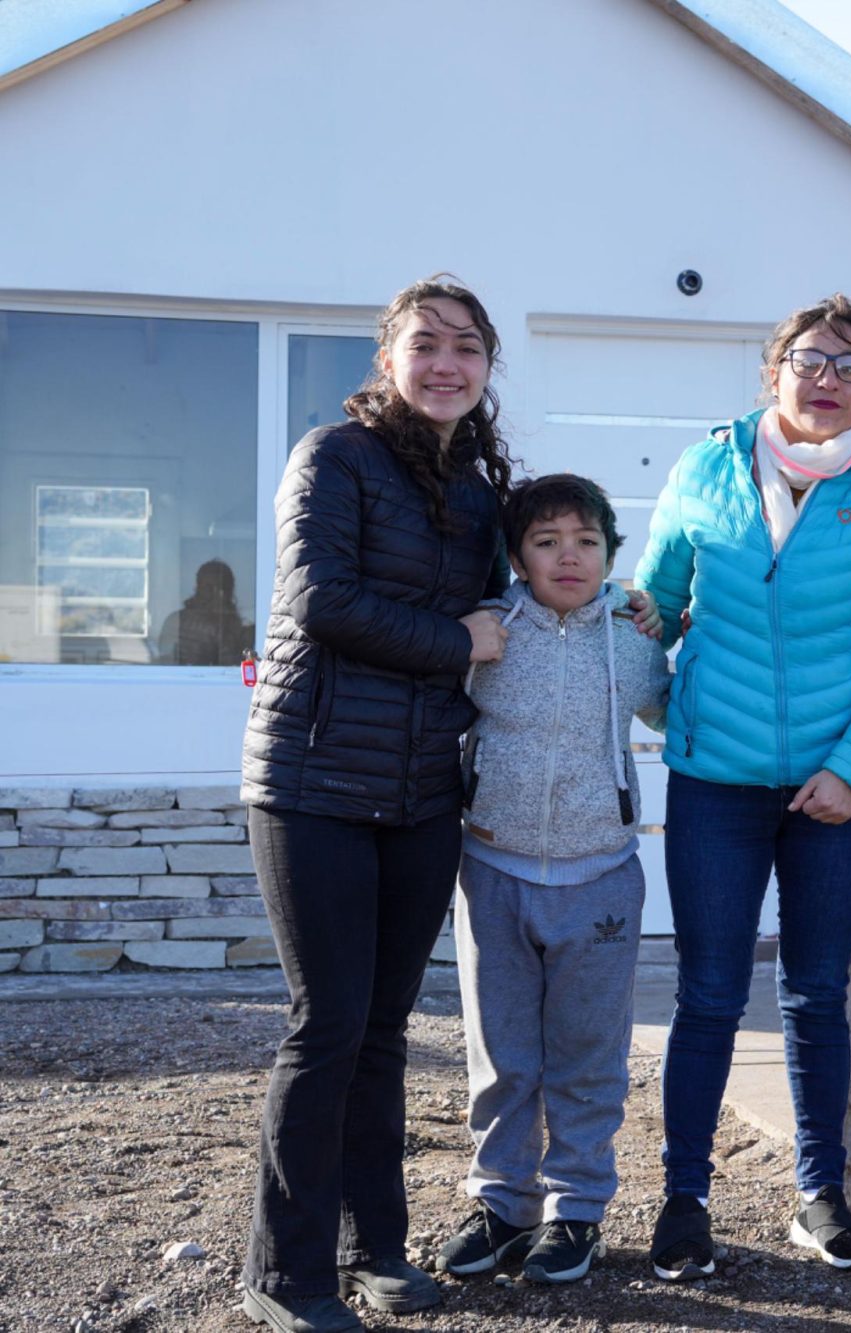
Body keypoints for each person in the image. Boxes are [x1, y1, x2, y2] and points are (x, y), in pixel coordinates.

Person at [634, 295, 851, 1280]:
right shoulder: (704, 469)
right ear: (773, 371)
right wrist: (675, 715)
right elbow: (650, 611)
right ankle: (684, 1200)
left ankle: (821, 1197)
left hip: (834, 793)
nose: (827, 379)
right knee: (709, 993)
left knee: (816, 992)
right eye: (809, 359)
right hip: (712, 788)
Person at [238, 277, 514, 1333]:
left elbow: (517, 597)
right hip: (312, 781)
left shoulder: (478, 492)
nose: (446, 363)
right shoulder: (334, 457)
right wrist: (456, 641)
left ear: (486, 367)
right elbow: (321, 599)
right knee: (327, 1026)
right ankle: (285, 1272)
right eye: (425, 343)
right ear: (389, 357)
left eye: (467, 347)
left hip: (421, 789)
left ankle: (373, 1249)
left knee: (385, 1031)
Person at [438, 474, 672, 1286]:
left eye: (586, 541)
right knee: (503, 1054)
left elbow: (675, 710)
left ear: (610, 553)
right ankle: (503, 1203)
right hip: (493, 872)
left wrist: (663, 618)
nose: (568, 557)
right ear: (517, 557)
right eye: (546, 542)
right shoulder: (487, 631)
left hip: (600, 877)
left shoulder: (634, 638)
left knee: (587, 1055)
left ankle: (576, 1209)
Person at [155, 558, 253, 666]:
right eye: (208, 587)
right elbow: (165, 662)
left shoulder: (233, 628)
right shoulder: (175, 622)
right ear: (198, 587)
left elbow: (234, 668)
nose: (218, 593)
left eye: (223, 588)